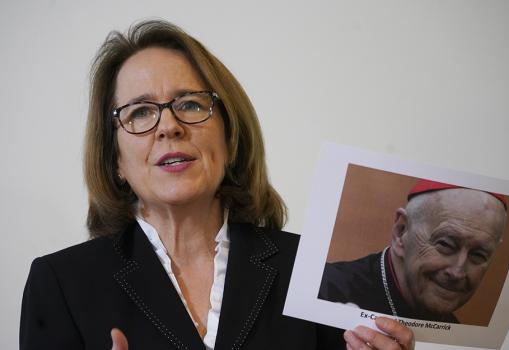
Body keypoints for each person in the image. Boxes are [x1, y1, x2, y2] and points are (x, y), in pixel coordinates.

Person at [19, 19, 414, 350]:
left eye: (190, 104)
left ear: (229, 135)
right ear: (116, 158)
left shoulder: (312, 272)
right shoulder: (61, 285)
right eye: (140, 112)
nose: (169, 126)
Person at [319, 180, 507, 324]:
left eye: (478, 255)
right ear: (401, 231)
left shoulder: (452, 330)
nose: (457, 272)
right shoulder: (323, 291)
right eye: (446, 244)